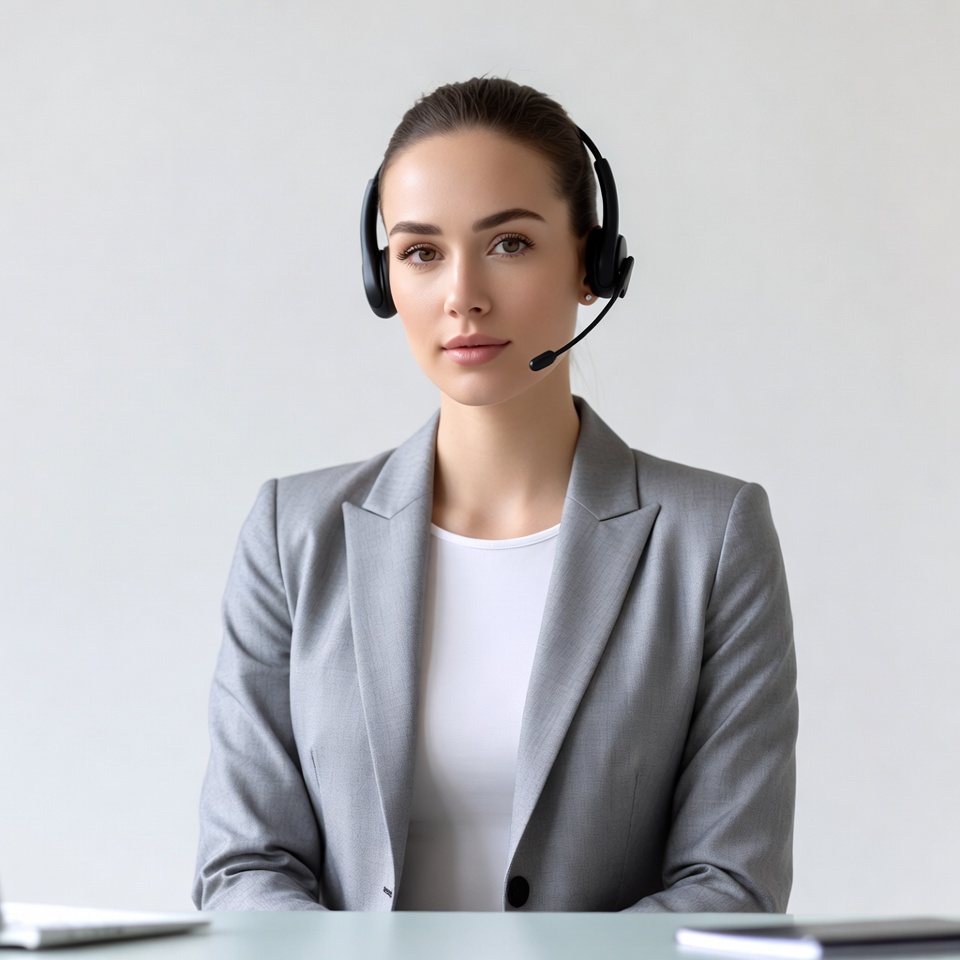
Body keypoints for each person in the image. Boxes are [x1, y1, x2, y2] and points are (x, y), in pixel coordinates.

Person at [193, 77, 798, 913]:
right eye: (421, 251)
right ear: (383, 281)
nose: (462, 295)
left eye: (509, 244)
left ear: (591, 264)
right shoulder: (291, 533)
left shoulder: (713, 536)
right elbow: (244, 867)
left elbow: (731, 881)